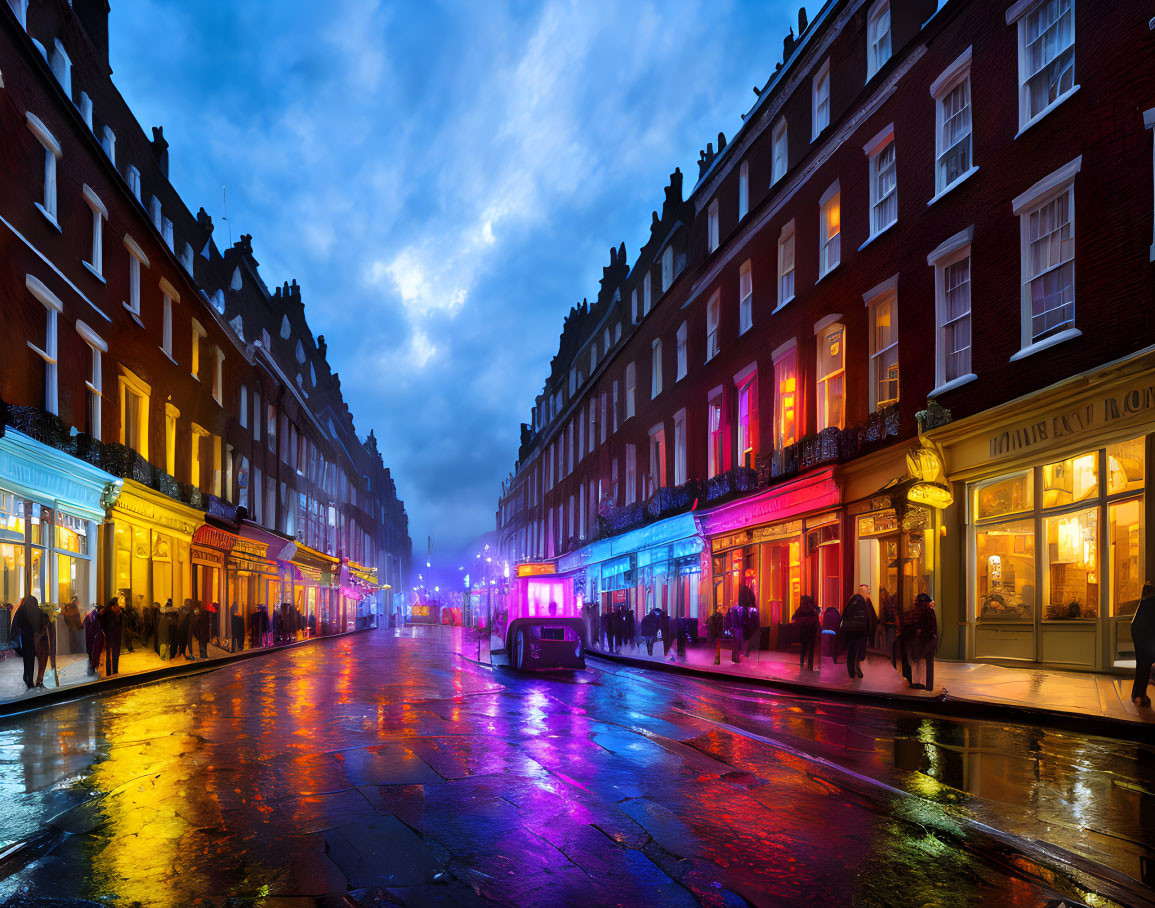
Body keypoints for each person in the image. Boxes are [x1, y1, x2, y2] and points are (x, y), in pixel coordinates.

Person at [904, 593, 939, 690]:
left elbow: (916, 627)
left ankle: (917, 683)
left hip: (921, 640)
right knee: (929, 663)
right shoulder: (931, 611)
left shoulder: (917, 611)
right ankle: (928, 685)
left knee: (916, 660)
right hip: (932, 639)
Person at [11, 595, 47, 690]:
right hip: (33, 639)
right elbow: (44, 621)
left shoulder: (21, 610)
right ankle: (30, 680)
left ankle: (28, 678)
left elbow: (17, 624)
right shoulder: (35, 610)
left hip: (26, 639)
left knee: (28, 660)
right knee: (31, 660)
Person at [1130, 581, 1155, 707]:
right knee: (1144, 663)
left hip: (1140, 629)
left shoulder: (1145, 601)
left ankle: (1138, 694)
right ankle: (1139, 695)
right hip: (1145, 631)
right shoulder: (1150, 601)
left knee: (1143, 664)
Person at [839, 593, 874, 679]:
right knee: (858, 651)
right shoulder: (864, 605)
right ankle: (857, 669)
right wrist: (867, 634)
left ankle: (851, 671)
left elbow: (844, 616)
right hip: (860, 631)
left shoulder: (851, 603)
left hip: (851, 630)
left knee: (851, 650)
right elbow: (868, 619)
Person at [791, 595, 821, 671]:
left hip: (804, 632)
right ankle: (809, 665)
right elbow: (816, 620)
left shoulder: (800, 610)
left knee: (804, 649)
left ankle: (803, 664)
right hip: (810, 632)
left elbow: (793, 618)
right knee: (809, 649)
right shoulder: (811, 610)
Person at [100, 596, 124, 676]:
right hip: (113, 636)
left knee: (110, 654)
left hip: (110, 636)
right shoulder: (110, 612)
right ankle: (114, 671)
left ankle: (110, 672)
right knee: (113, 654)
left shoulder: (108, 612)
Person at [879, 588, 900, 666]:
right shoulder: (894, 609)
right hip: (893, 630)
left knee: (890, 650)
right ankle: (892, 666)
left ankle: (891, 666)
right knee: (892, 651)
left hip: (891, 630)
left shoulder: (889, 608)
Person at [84, 601, 105, 676]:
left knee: (95, 653)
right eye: (102, 611)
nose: (103, 613)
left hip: (96, 638)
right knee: (92, 653)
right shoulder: (91, 617)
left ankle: (93, 667)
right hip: (93, 638)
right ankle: (92, 668)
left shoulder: (97, 616)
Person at [742, 589, 761, 659]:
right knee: (749, 639)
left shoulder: (748, 607)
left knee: (749, 640)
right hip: (750, 625)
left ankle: (746, 652)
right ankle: (747, 652)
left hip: (750, 625)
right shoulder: (751, 608)